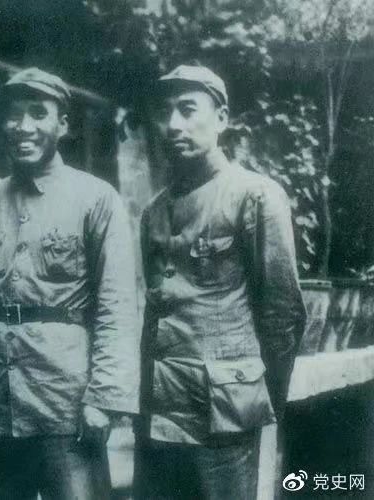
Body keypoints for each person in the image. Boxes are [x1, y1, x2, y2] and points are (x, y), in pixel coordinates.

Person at [0, 67, 140, 499]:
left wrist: (104, 398)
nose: (23, 126)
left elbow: (117, 307)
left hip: (65, 404)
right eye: (14, 115)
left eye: (37, 113)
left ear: (62, 124)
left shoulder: (96, 199)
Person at [134, 64, 306, 499]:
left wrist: (257, 399)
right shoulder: (153, 212)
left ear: (222, 118)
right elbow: (155, 314)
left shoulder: (255, 196)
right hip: (158, 412)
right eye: (164, 112)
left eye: (188, 109)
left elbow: (283, 315)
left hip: (223, 415)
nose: (174, 124)